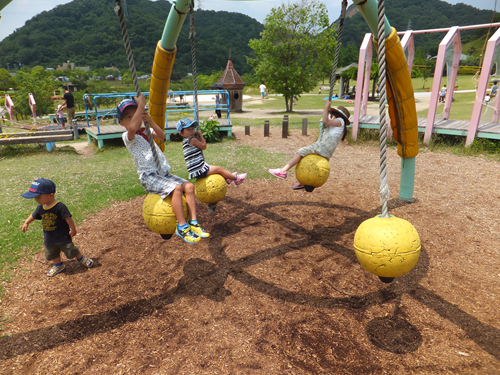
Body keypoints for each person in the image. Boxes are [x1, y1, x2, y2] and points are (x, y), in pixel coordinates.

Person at [118, 95, 208, 244]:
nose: (134, 118)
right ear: (121, 123)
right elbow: (133, 127)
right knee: (177, 188)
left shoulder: (145, 131)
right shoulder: (128, 136)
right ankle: (182, 226)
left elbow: (162, 135)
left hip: (163, 174)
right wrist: (141, 106)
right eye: (129, 117)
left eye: (136, 115)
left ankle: (193, 222)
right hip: (149, 176)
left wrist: (150, 121)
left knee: (189, 186)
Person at [268, 100, 350, 190]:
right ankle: (303, 181)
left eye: (332, 115)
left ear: (336, 115)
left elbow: (325, 121)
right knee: (309, 159)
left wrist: (326, 108)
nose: (331, 117)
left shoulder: (340, 121)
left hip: (322, 147)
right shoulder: (340, 126)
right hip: (327, 151)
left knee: (300, 153)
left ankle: (283, 171)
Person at [21, 178, 94, 277]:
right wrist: (26, 222)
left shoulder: (60, 207)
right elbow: (34, 215)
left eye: (39, 197)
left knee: (71, 250)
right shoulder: (40, 207)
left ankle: (82, 259)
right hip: (49, 238)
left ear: (51, 194)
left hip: (62, 236)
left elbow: (68, 218)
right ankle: (58, 265)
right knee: (52, 253)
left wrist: (73, 229)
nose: (36, 200)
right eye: (35, 198)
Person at [177, 117, 247, 185]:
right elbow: (204, 146)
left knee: (217, 169)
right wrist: (201, 135)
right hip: (199, 170)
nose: (192, 131)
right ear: (181, 133)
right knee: (219, 169)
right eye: (188, 129)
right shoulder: (192, 139)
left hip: (195, 170)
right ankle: (236, 178)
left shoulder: (185, 141)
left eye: (192, 129)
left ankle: (228, 178)